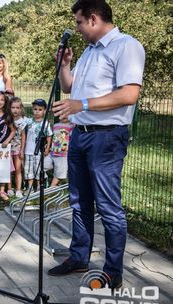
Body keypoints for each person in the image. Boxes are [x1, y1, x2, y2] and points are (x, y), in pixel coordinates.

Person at [48, 0, 145, 289]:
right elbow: (69, 88)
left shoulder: (126, 46)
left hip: (107, 136)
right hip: (81, 134)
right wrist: (65, 65)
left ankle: (113, 271)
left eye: (79, 22)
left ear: (93, 19)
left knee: (108, 206)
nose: (77, 28)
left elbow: (129, 94)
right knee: (79, 201)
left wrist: (83, 104)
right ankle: (79, 256)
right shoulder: (89, 52)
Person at [23, 99, 52, 192]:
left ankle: (40, 186)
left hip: (39, 151)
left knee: (39, 169)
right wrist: (22, 149)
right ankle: (30, 187)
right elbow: (23, 134)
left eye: (40, 109)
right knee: (29, 170)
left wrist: (47, 148)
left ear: (44, 111)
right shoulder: (28, 122)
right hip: (28, 151)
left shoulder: (46, 124)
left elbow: (49, 136)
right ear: (32, 109)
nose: (37, 111)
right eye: (35, 109)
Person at [8, 97, 28, 198]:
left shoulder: (23, 121)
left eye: (17, 107)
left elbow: (23, 135)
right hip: (7, 148)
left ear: (21, 109)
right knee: (8, 169)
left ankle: (19, 189)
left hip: (18, 148)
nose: (15, 110)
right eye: (12, 107)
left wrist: (22, 150)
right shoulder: (8, 119)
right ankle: (9, 188)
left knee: (18, 169)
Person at [49, 117, 75, 187]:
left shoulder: (72, 126)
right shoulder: (55, 125)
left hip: (63, 153)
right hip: (53, 151)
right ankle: (51, 182)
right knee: (46, 165)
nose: (64, 116)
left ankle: (51, 187)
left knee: (61, 171)